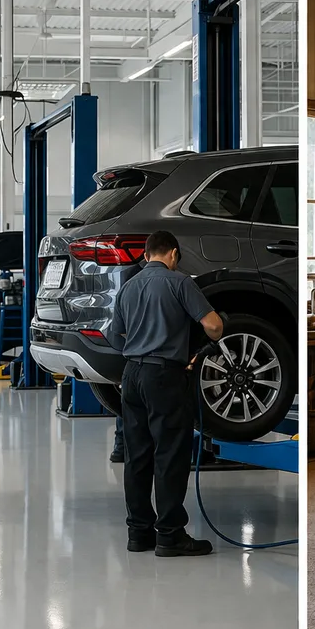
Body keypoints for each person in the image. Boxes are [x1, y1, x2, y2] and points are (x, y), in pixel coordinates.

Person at [108, 231, 224, 557]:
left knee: (137, 456)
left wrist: (142, 339)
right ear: (173, 253)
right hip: (164, 376)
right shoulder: (180, 282)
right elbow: (214, 326)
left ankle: (138, 533)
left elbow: (116, 336)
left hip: (132, 376)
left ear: (146, 256)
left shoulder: (128, 287)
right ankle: (170, 536)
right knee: (170, 455)